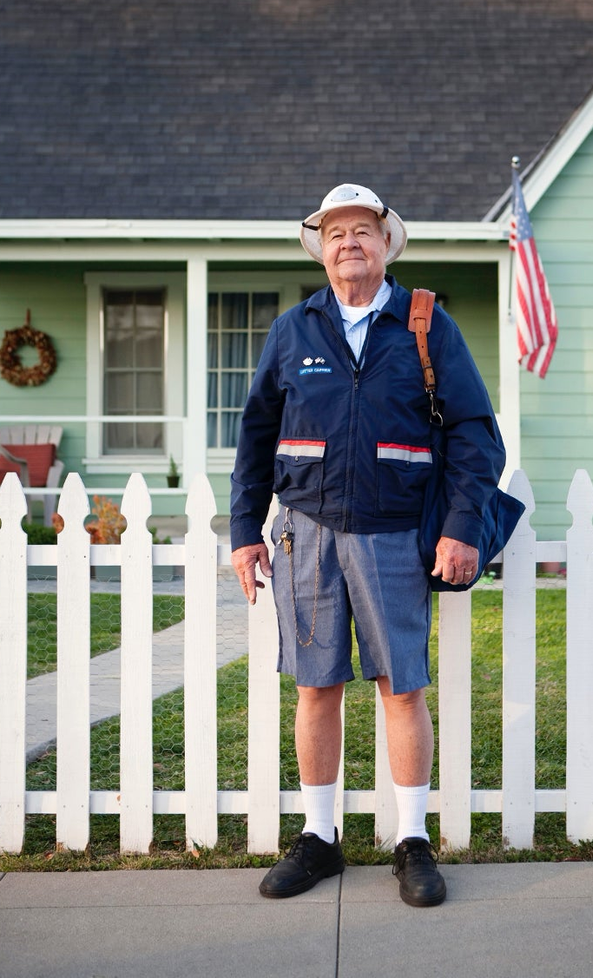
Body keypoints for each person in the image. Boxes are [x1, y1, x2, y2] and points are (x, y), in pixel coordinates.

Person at [230, 182, 509, 907]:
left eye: (363, 230)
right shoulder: (294, 330)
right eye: (335, 232)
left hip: (394, 533)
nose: (349, 242)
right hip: (305, 532)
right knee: (316, 684)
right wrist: (242, 531)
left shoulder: (426, 324)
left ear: (387, 244)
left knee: (401, 685)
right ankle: (320, 837)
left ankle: (412, 839)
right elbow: (256, 435)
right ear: (320, 249)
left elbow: (476, 434)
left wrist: (460, 524)